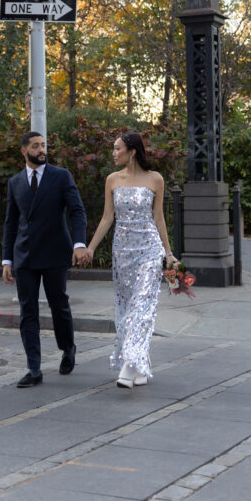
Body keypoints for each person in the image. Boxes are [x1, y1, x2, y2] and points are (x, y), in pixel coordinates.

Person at [84, 131, 179, 388]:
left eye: (117, 149)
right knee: (126, 311)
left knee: (141, 308)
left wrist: (168, 254)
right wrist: (91, 248)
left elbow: (158, 218)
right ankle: (141, 366)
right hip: (122, 253)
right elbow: (107, 218)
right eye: (113, 149)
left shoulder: (155, 179)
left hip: (149, 250)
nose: (114, 153)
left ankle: (128, 366)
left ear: (132, 151)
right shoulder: (112, 180)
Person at [2, 131, 88, 388]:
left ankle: (68, 347)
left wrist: (79, 243)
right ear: (24, 151)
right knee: (28, 311)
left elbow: (77, 211)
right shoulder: (15, 182)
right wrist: (7, 259)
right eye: (36, 146)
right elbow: (10, 223)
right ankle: (34, 368)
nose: (42, 150)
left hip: (54, 252)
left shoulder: (61, 176)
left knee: (58, 304)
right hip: (24, 255)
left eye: (43, 145)